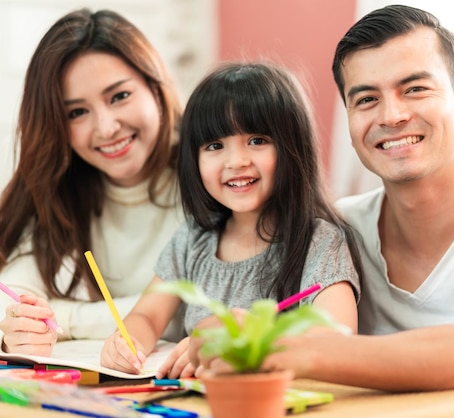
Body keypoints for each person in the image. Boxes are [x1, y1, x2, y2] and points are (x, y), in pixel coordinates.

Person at [192, 5, 454, 416]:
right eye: (366, 99)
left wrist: (303, 349)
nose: (392, 116)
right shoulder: (332, 231)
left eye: (415, 89)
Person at [100, 61, 363, 378]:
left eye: (257, 140)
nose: (236, 161)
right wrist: (128, 342)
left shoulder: (320, 243)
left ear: (293, 146)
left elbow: (336, 340)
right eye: (215, 146)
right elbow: (148, 316)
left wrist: (239, 343)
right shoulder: (192, 240)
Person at [0, 8, 186, 357]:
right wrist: (15, 327)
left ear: (156, 87)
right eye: (77, 112)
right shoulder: (63, 186)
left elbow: (190, 312)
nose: (106, 128)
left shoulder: (214, 174)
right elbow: (5, 295)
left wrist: (64, 317)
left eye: (119, 96)